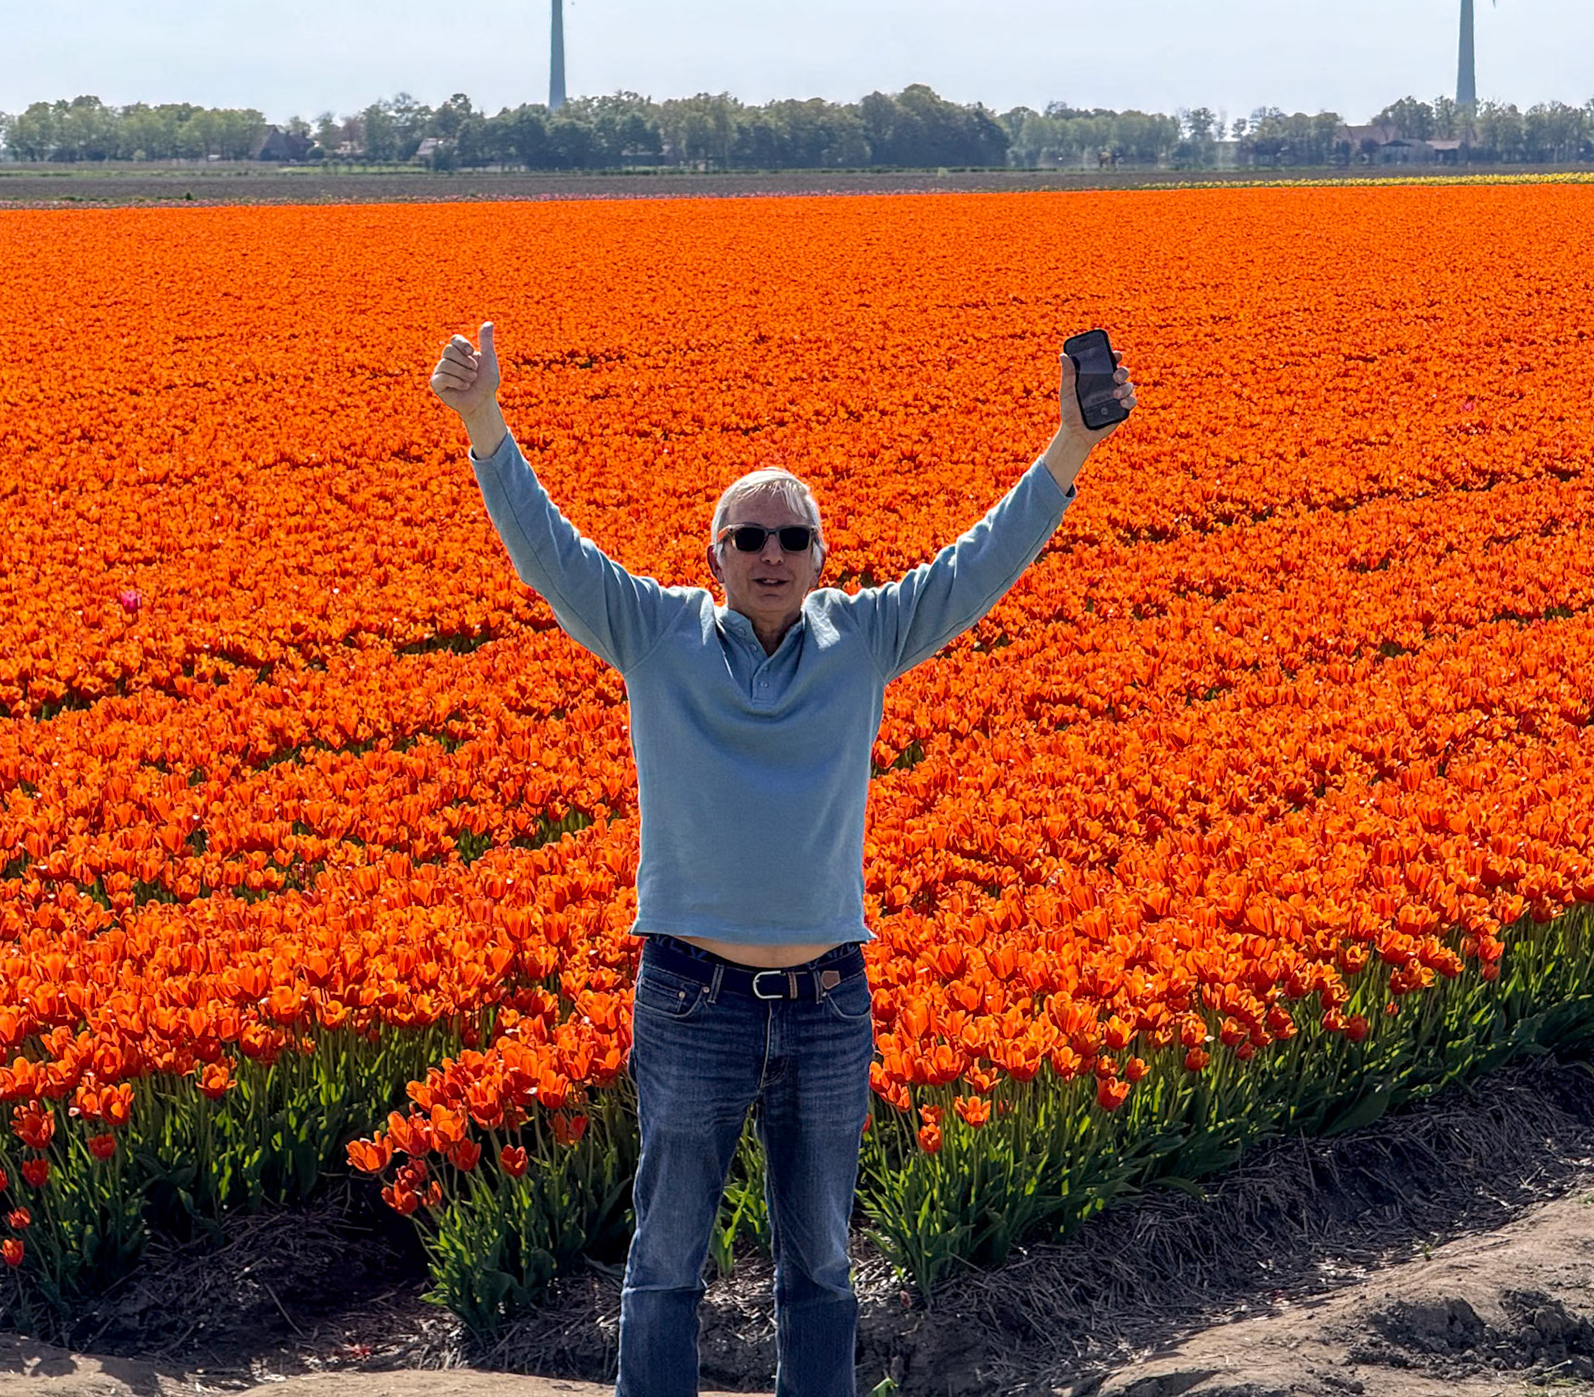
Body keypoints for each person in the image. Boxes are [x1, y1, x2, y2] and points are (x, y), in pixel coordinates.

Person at [430, 321, 1134, 1397]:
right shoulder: (652, 633)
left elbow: (980, 560)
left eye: (790, 538)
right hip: (691, 999)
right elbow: (548, 548)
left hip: (826, 1001)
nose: (770, 555)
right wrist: (484, 423)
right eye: (749, 537)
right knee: (665, 1264)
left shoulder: (868, 638)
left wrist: (1070, 447)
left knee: (822, 1269)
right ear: (712, 557)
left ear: (819, 557)